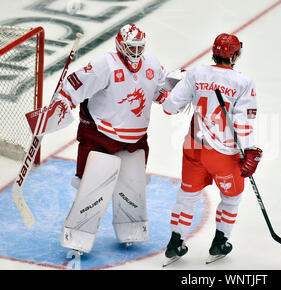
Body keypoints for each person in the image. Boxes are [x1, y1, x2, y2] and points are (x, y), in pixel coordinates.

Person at [54, 23, 170, 254]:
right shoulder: (104, 65)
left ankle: (131, 228)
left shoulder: (153, 63)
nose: (135, 53)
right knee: (93, 187)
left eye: (139, 48)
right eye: (130, 47)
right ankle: (78, 236)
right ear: (119, 44)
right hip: (101, 136)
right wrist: (62, 103)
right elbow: (73, 86)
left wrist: (177, 92)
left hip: (135, 138)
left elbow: (160, 91)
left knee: (132, 184)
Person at [161, 33, 263, 265]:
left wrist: (175, 86)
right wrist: (250, 151)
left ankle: (175, 242)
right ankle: (220, 241)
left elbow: (169, 107)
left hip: (194, 147)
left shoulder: (196, 74)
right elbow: (243, 122)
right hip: (223, 153)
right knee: (231, 197)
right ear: (235, 54)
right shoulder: (243, 82)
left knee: (186, 196)